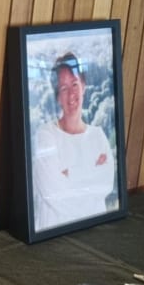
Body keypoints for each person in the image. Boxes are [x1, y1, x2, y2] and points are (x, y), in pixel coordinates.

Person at [31, 52, 116, 232]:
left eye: (75, 84)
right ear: (57, 97)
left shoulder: (98, 136)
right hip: (53, 243)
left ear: (84, 86)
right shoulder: (45, 136)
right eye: (63, 88)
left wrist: (70, 173)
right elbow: (54, 195)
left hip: (94, 238)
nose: (71, 94)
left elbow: (106, 184)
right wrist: (90, 173)